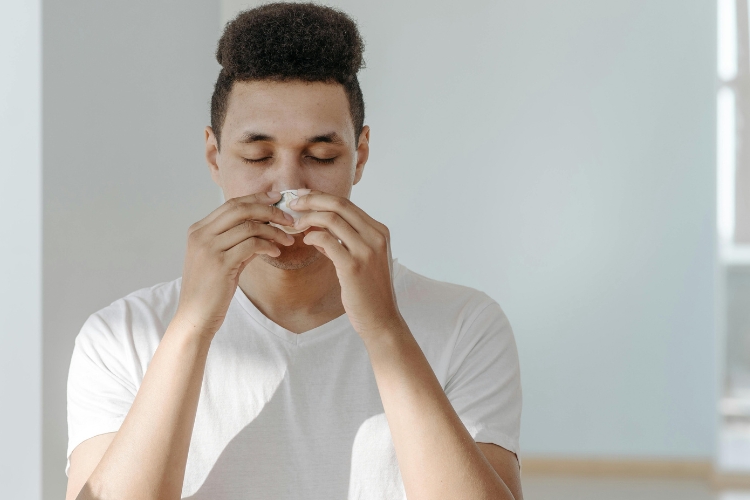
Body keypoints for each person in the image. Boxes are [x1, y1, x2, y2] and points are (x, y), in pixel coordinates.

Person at [64, 3, 523, 499]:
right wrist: (193, 326)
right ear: (214, 156)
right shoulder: (122, 337)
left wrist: (385, 329)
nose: (288, 186)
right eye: (257, 156)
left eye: (321, 156)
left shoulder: (465, 326)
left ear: (360, 155)